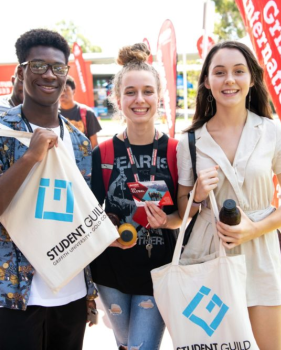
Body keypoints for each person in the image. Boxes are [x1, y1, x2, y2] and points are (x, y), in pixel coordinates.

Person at [177, 41, 281, 350]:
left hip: (259, 254)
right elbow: (183, 209)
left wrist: (255, 229)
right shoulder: (190, 141)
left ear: (253, 78)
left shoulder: (273, 132)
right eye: (219, 72)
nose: (229, 80)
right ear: (207, 81)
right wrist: (196, 196)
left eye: (238, 71)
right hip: (208, 253)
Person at [0, 28, 97, 350]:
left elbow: (83, 216)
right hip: (12, 295)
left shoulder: (81, 144)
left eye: (58, 68)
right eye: (38, 65)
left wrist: (90, 294)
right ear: (21, 71)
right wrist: (30, 157)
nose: (49, 74)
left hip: (71, 293)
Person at [90, 43, 181, 350]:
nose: (139, 99)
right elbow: (91, 214)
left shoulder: (177, 152)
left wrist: (167, 221)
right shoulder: (102, 153)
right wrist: (107, 232)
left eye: (148, 91)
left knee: (141, 346)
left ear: (160, 97)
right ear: (117, 99)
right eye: (130, 92)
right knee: (125, 344)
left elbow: (184, 214)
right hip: (110, 271)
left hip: (158, 271)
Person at [60, 75, 101, 149]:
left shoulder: (87, 113)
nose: (62, 93)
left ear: (74, 91)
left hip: (83, 158)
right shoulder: (53, 114)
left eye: (66, 90)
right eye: (59, 90)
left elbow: (94, 143)